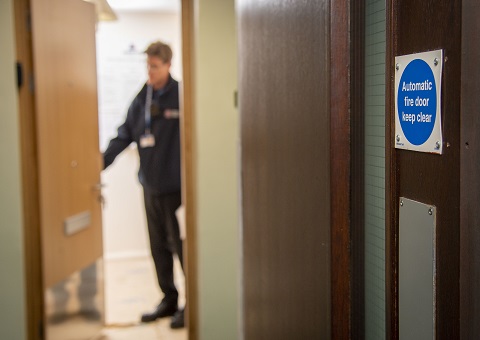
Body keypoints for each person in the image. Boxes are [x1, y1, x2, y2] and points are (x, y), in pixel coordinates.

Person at [103, 41, 185, 329]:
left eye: (154, 66)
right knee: (158, 247)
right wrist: (100, 162)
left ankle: (192, 304)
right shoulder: (142, 97)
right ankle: (169, 298)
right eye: (147, 65)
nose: (149, 71)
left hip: (177, 190)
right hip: (150, 186)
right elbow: (125, 133)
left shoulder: (181, 96)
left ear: (168, 65)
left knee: (182, 247)